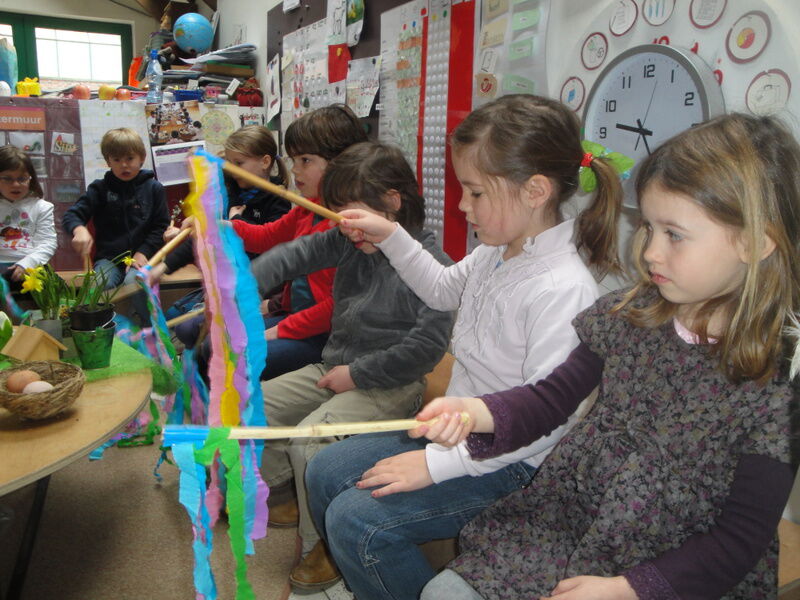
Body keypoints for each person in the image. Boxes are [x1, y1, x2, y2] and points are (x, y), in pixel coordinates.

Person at [412, 113, 799, 600]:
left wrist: (625, 589)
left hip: (673, 572)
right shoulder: (633, 313)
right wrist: (475, 411)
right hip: (572, 524)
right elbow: (550, 399)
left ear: (755, 243)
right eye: (649, 227)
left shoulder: (780, 385)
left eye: (674, 234)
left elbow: (738, 541)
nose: (650, 252)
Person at [305, 94, 626, 598]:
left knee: (357, 521)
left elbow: (548, 423)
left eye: (475, 192)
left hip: (512, 463)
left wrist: (436, 465)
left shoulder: (563, 289)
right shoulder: (496, 252)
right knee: (325, 469)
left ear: (535, 191)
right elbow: (439, 289)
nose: (461, 205)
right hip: (455, 432)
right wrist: (390, 234)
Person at [249, 141, 456, 589]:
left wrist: (357, 375)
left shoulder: (435, 267)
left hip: (389, 384)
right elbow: (293, 255)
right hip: (334, 366)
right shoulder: (350, 239)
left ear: (393, 202)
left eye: (352, 214)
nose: (344, 226)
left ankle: (323, 543)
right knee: (254, 406)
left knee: (311, 443)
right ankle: (289, 489)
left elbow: (425, 349)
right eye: (338, 214)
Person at [152, 124, 292, 324]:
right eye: (229, 162)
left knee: (187, 327)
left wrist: (236, 221)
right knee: (173, 317)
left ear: (265, 162)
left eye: (239, 163)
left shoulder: (278, 201)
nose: (231, 169)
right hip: (225, 280)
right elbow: (205, 234)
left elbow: (266, 252)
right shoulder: (232, 191)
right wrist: (164, 266)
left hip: (254, 287)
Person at [62, 127, 169, 321]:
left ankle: (152, 328)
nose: (124, 165)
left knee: (135, 282)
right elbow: (72, 215)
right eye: (117, 159)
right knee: (97, 285)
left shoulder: (154, 188)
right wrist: (79, 229)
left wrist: (143, 252)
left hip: (144, 257)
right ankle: (105, 329)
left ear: (142, 158)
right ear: (108, 161)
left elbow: (161, 226)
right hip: (109, 259)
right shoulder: (99, 189)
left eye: (130, 158)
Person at [0, 145, 56, 288]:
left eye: (22, 178)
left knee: (58, 292)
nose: (15, 184)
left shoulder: (42, 207)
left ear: (31, 179)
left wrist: (27, 264)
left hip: (31, 264)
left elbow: (47, 243)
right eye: (7, 179)